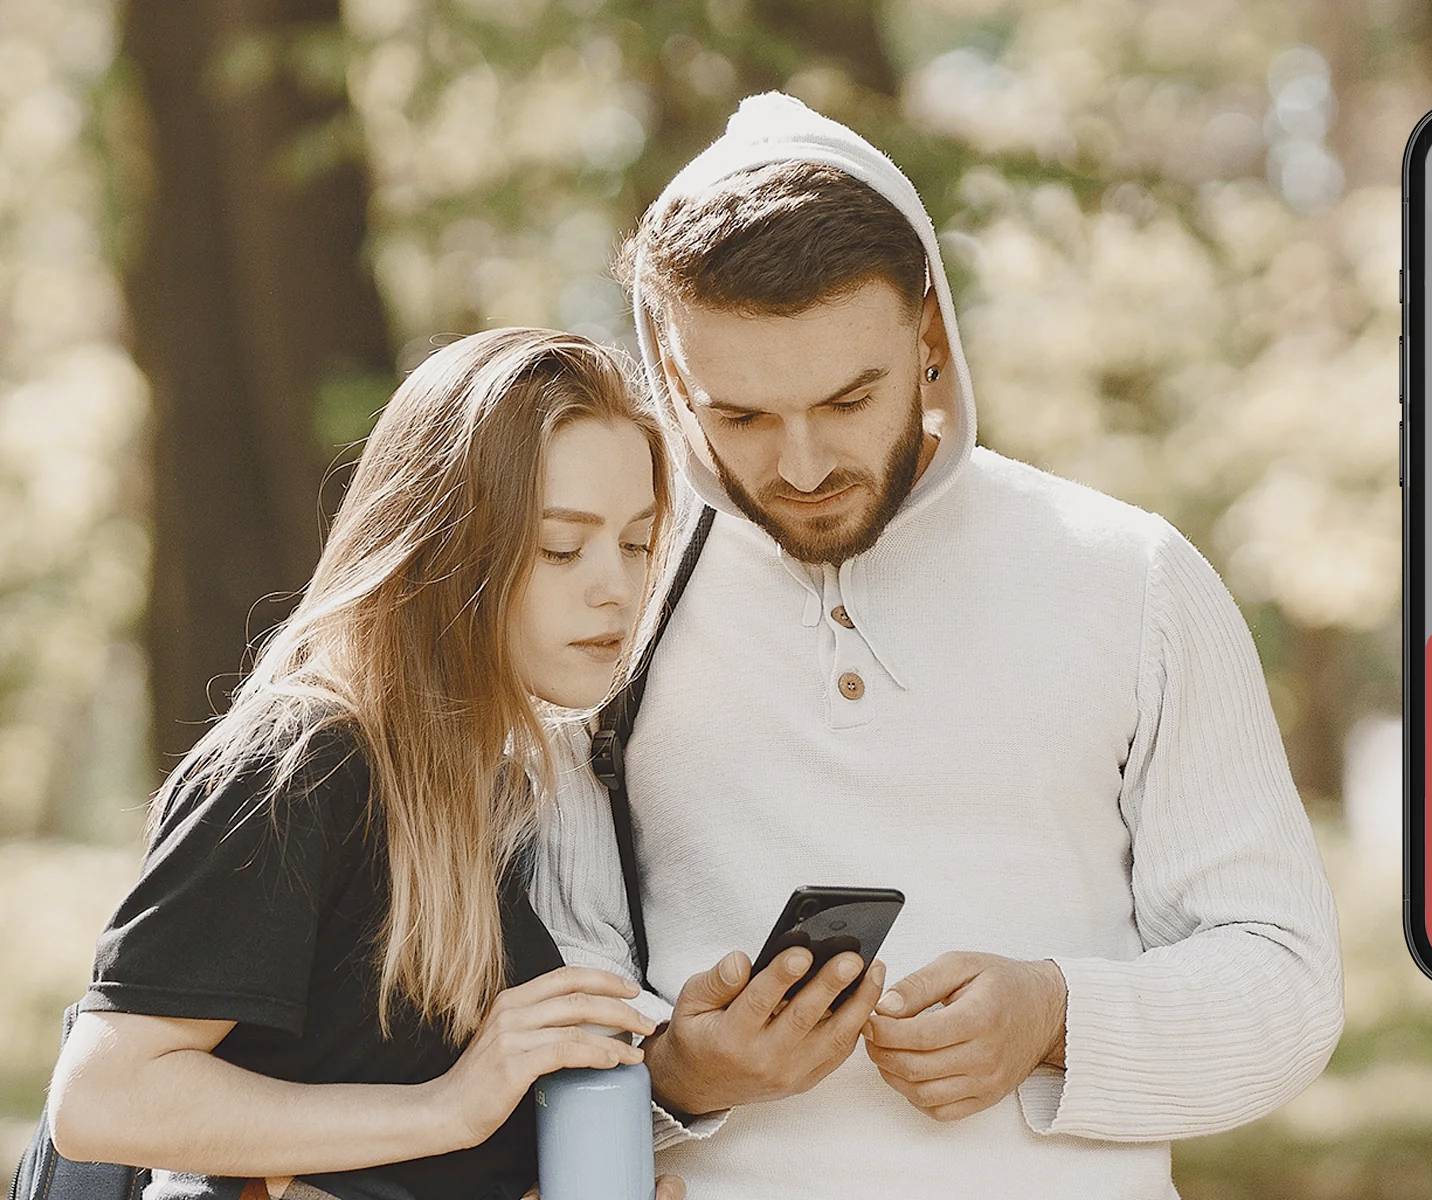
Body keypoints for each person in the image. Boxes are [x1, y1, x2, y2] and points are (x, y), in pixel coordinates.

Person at [545, 92, 1345, 1197]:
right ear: (673, 378)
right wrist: (681, 1074)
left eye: (848, 399)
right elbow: (534, 991)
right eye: (742, 417)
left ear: (930, 337)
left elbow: (1288, 985)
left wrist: (1057, 1017)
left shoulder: (1132, 577)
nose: (803, 465)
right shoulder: (606, 599)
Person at [47, 328, 687, 1200]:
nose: (616, 587)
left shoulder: (507, 781)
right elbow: (103, 1095)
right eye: (560, 548)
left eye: (639, 543)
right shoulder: (304, 764)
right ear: (441, 543)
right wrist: (449, 1109)